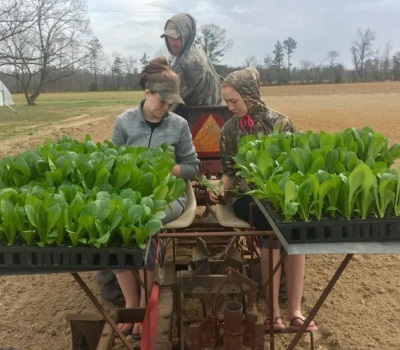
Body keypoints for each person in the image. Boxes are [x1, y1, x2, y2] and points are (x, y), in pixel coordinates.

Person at [208, 66, 318, 332]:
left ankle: (295, 310)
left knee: (293, 230)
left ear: (250, 95)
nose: (230, 107)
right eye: (226, 102)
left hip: (281, 196)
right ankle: (273, 312)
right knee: (271, 227)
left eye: (234, 101)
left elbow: (296, 166)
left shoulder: (281, 123)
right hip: (248, 198)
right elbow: (229, 171)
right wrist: (222, 188)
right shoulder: (230, 130)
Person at [111, 56, 200, 338]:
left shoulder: (178, 125)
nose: (166, 107)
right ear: (147, 93)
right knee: (115, 229)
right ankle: (131, 302)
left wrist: (167, 168)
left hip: (167, 196)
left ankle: (148, 305)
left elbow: (193, 167)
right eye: (162, 100)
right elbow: (109, 163)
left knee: (147, 224)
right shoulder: (124, 123)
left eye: (171, 102)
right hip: (131, 195)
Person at [161, 13, 222, 107]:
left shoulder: (188, 62)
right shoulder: (200, 53)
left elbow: (168, 102)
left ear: (187, 35)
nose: (173, 43)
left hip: (195, 118)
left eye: (178, 37)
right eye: (169, 37)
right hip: (214, 111)